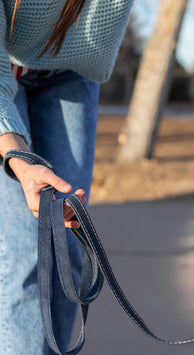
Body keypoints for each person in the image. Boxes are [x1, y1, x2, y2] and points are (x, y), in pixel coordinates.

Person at [0, 1, 133, 353]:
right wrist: (21, 163)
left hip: (71, 70)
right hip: (4, 69)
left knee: (69, 244)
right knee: (24, 253)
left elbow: (97, 54)